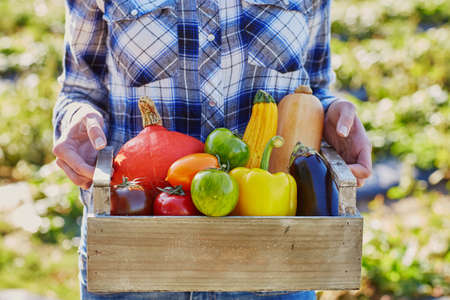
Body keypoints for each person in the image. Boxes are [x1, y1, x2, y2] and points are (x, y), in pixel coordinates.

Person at [52, 0, 372, 299]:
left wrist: (333, 113)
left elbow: (314, 86)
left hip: (274, 256)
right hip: (135, 253)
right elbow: (79, 88)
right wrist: (76, 118)